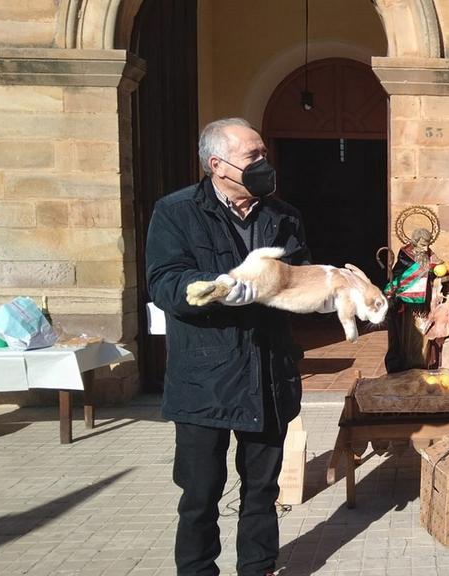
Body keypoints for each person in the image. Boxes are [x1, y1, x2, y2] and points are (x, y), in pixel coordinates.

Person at [146, 117, 310, 576]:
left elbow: (298, 275)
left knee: (262, 491)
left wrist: (325, 291)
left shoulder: (284, 216)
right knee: (200, 494)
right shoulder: (176, 212)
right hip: (205, 382)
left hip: (268, 374)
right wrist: (217, 289)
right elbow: (165, 283)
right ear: (218, 165)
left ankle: (258, 569)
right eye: (252, 156)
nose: (264, 164)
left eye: (263, 154)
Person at [384, 226, 449, 373]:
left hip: (426, 306)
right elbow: (398, 279)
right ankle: (408, 370)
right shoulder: (405, 256)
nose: (425, 248)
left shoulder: (429, 255)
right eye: (422, 244)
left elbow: (443, 268)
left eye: (427, 244)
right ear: (414, 242)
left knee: (425, 339)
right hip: (408, 308)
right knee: (410, 338)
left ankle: (421, 368)